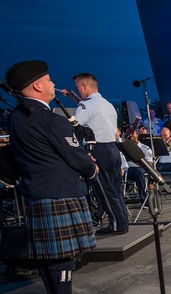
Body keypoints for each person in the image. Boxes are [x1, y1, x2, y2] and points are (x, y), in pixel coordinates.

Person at [4, 59, 101, 294]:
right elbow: (75, 156)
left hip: (36, 190)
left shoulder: (16, 117)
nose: (52, 84)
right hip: (61, 190)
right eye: (48, 80)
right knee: (63, 253)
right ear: (37, 85)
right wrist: (91, 170)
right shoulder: (50, 120)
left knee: (47, 253)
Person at [69, 73, 128, 235]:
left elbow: (76, 125)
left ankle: (116, 224)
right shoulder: (107, 104)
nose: (78, 91)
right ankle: (122, 221)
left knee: (103, 189)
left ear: (84, 87)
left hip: (99, 150)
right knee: (115, 189)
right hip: (113, 148)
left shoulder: (86, 106)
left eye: (78, 88)